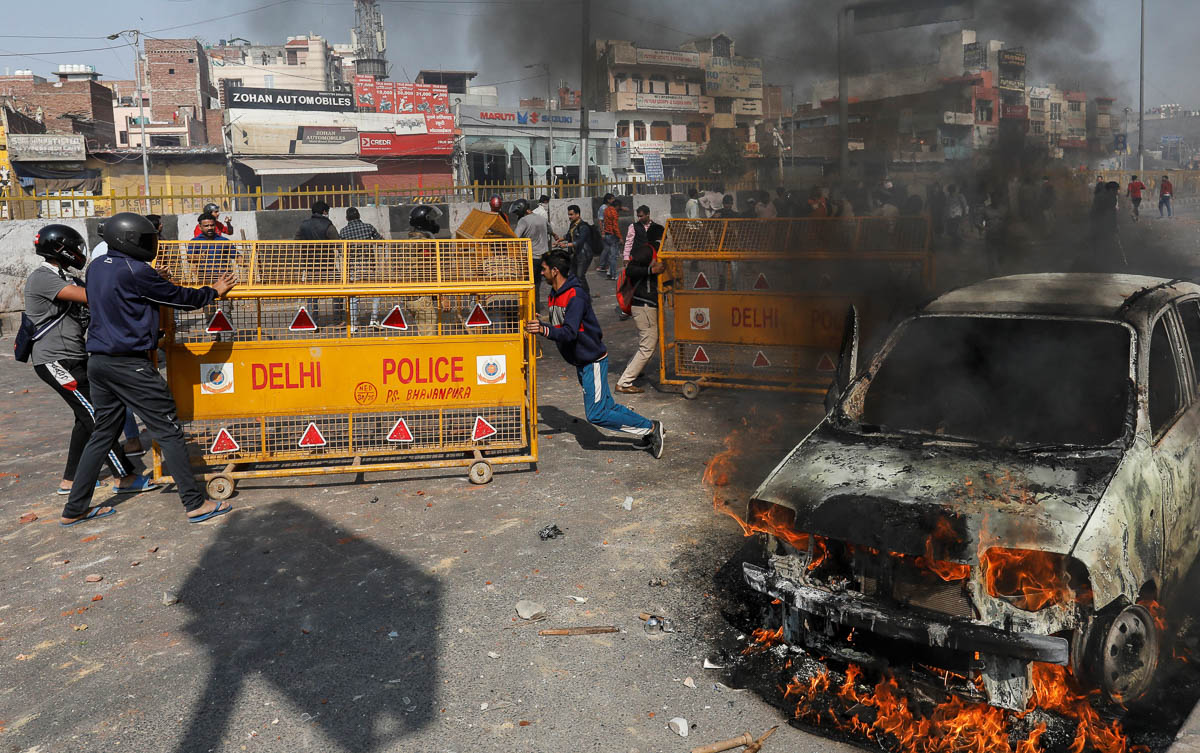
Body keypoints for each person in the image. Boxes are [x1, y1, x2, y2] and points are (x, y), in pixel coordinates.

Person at [63, 213, 238, 526]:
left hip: (99, 361)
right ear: (128, 240)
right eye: (145, 240)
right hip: (128, 362)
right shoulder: (136, 271)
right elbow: (181, 298)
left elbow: (132, 290)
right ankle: (195, 504)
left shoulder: (98, 267)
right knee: (168, 429)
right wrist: (213, 290)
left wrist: (155, 276)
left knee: (102, 434)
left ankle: (74, 508)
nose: (150, 245)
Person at [24, 224, 154, 502]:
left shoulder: (65, 276)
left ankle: (69, 480)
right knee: (97, 417)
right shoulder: (43, 278)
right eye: (74, 248)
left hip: (74, 357)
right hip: (55, 360)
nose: (78, 253)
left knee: (84, 420)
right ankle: (125, 476)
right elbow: (94, 297)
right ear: (61, 249)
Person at [525, 249, 664, 458]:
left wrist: (543, 329)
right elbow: (560, 324)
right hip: (581, 362)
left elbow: (569, 332)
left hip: (592, 361)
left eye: (544, 269)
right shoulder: (555, 293)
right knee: (608, 406)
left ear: (555, 271)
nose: (541, 273)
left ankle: (651, 429)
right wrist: (542, 323)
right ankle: (649, 429)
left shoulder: (575, 295)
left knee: (596, 414)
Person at [615, 219, 664, 394]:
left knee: (647, 341)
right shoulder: (647, 251)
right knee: (648, 344)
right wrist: (651, 271)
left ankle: (636, 369)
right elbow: (630, 270)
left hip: (646, 304)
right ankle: (625, 382)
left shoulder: (655, 251)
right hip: (644, 304)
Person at [295, 200, 340, 318]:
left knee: (312, 294)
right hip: (327, 265)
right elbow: (338, 243)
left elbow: (296, 241)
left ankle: (313, 320)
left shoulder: (303, 225)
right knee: (337, 291)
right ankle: (338, 319)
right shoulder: (328, 226)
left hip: (310, 266)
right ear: (324, 211)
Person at [341, 207, 385, 327]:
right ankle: (374, 320)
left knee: (353, 296)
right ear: (359, 216)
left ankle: (354, 324)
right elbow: (381, 242)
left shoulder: (343, 231)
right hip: (369, 266)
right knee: (376, 293)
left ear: (346, 218)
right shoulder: (368, 227)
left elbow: (341, 250)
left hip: (353, 268)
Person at [513, 198, 551, 310]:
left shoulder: (523, 221)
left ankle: (530, 309)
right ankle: (536, 307)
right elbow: (550, 230)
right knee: (537, 284)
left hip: (531, 258)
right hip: (544, 257)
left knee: (528, 284)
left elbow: (515, 237)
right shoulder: (542, 218)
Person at [555, 204, 593, 294]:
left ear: (577, 214)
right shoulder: (573, 225)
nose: (570, 217)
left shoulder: (583, 227)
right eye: (569, 214)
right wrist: (559, 240)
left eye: (571, 214)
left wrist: (567, 245)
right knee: (572, 275)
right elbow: (569, 235)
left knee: (580, 276)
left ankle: (586, 295)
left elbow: (580, 241)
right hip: (575, 254)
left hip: (583, 254)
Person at [189, 212, 236, 284]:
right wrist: (199, 257)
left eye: (212, 225)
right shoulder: (195, 242)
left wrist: (243, 261)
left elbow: (236, 256)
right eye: (206, 226)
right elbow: (189, 258)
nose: (210, 228)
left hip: (223, 279)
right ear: (200, 227)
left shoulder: (224, 241)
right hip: (205, 279)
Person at [598, 194, 622, 280]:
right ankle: (614, 274)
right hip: (612, 235)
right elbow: (615, 226)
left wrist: (603, 232)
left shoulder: (606, 210)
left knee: (610, 254)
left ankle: (609, 271)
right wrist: (620, 237)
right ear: (617, 206)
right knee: (614, 256)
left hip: (607, 234)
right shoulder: (614, 213)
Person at [944, 184, 969, 252]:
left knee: (956, 231)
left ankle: (957, 245)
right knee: (950, 232)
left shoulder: (960, 196)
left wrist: (965, 215)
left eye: (952, 190)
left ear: (954, 190)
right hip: (950, 217)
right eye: (950, 190)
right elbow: (946, 207)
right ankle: (957, 243)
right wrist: (946, 216)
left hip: (958, 216)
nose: (951, 191)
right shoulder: (948, 197)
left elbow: (965, 205)